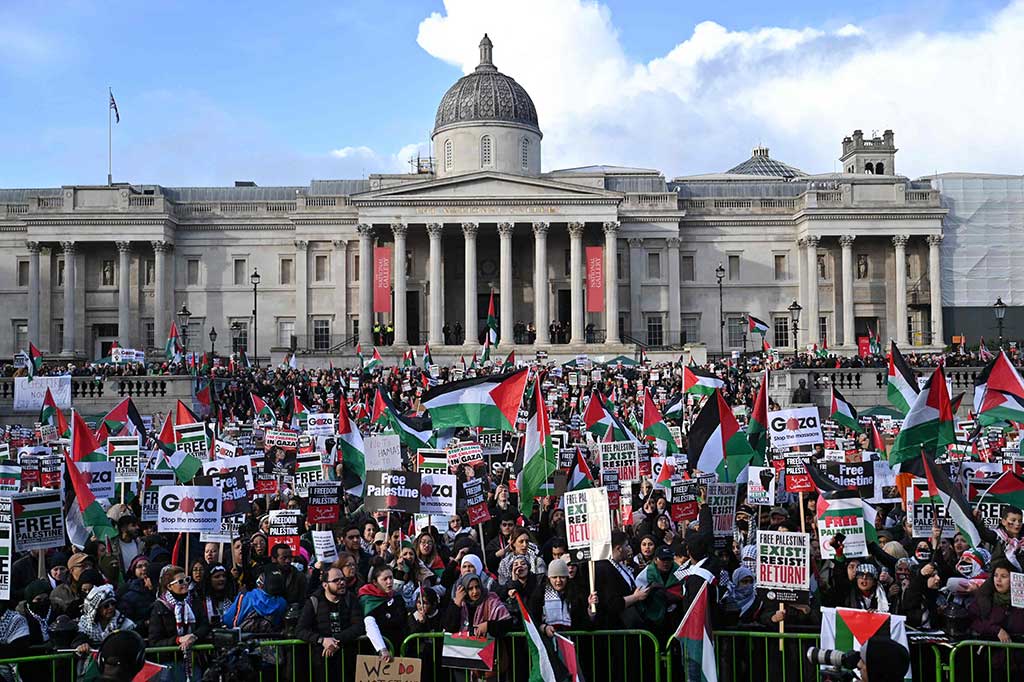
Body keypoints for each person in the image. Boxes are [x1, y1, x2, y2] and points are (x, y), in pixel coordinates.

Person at [295, 565, 364, 678]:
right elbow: (300, 630)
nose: (341, 582)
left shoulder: (350, 599)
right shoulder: (314, 601)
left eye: (342, 579)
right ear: (325, 585)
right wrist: (322, 640)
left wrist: (335, 641)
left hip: (347, 659)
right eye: (336, 580)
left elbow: (359, 626)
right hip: (321, 661)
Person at [358, 563, 407, 662]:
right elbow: (370, 624)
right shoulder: (368, 600)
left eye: (391, 578)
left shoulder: (397, 598)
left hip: (399, 649)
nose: (389, 582)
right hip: (378, 654)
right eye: (384, 579)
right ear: (375, 582)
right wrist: (382, 649)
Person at [222, 566, 288, 634]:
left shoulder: (247, 597)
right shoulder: (283, 603)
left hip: (246, 641)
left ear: (260, 581)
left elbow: (228, 621)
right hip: (272, 642)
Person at [74, 585, 136, 655]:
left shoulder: (125, 624)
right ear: (97, 609)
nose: (111, 607)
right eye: (106, 606)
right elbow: (78, 641)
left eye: (113, 604)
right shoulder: (86, 625)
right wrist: (82, 645)